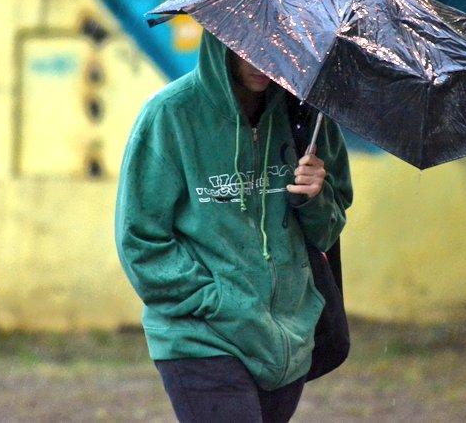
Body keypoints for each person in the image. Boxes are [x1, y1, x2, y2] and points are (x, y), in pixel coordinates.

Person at [115, 31, 353, 423]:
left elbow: (327, 231)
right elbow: (141, 241)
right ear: (221, 40)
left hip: (285, 341)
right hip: (202, 337)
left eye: (278, 46)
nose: (263, 61)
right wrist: (221, 301)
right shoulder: (171, 116)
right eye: (250, 45)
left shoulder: (308, 120)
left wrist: (315, 196)